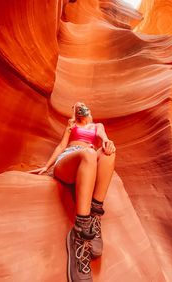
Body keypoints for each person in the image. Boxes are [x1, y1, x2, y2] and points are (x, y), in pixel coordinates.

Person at [29, 102, 116, 282]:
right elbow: (61, 146)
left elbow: (103, 135)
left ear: (90, 111)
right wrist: (46, 166)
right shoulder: (72, 125)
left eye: (84, 106)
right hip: (69, 160)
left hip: (89, 160)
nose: (81, 107)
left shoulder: (97, 126)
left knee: (109, 153)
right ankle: (79, 233)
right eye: (78, 106)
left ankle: (94, 217)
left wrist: (107, 142)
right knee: (89, 154)